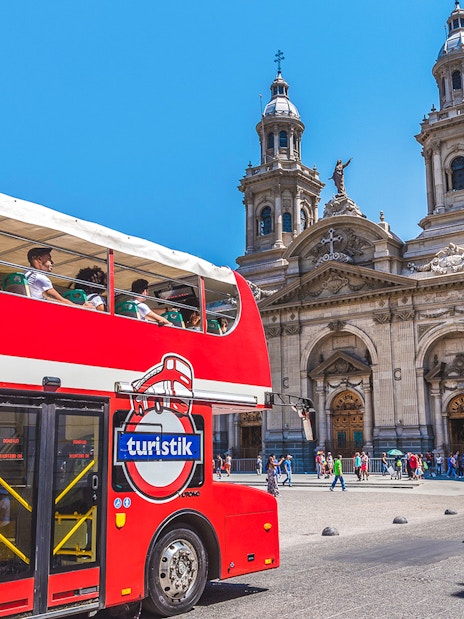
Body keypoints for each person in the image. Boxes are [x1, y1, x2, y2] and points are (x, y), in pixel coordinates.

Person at [26, 247, 93, 307]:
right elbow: (60, 301)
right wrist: (82, 308)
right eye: (49, 258)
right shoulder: (40, 278)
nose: (52, 262)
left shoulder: (26, 274)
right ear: (39, 259)